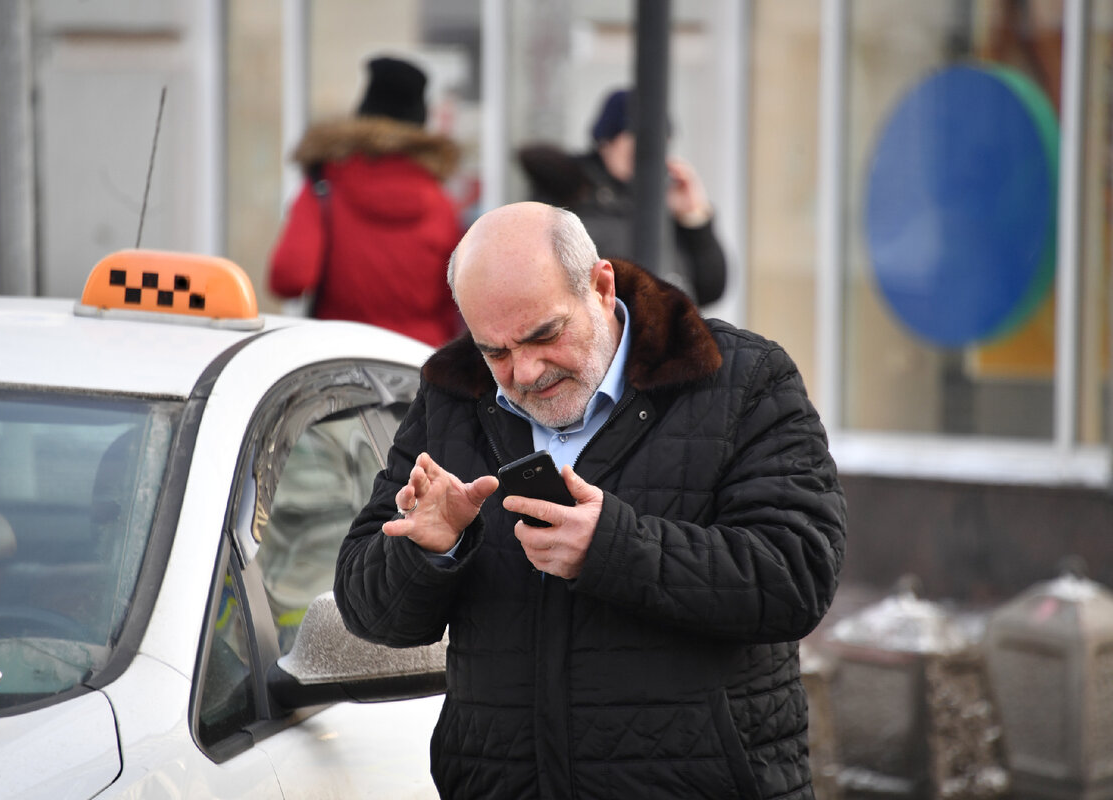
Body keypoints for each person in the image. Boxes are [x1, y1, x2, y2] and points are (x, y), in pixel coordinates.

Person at [334, 201, 847, 799]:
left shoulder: (743, 379)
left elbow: (797, 575)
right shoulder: (452, 395)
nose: (526, 372)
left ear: (601, 287)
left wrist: (615, 548)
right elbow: (369, 613)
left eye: (544, 335)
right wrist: (428, 549)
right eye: (495, 352)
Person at [268, 56, 463, 347]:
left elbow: (289, 278)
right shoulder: (442, 205)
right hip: (420, 358)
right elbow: (458, 301)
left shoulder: (324, 186)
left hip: (341, 354)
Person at [518, 87, 728, 307]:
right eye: (637, 142)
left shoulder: (665, 202)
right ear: (607, 141)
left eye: (657, 147)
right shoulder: (568, 194)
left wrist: (693, 219)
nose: (646, 156)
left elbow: (710, 288)